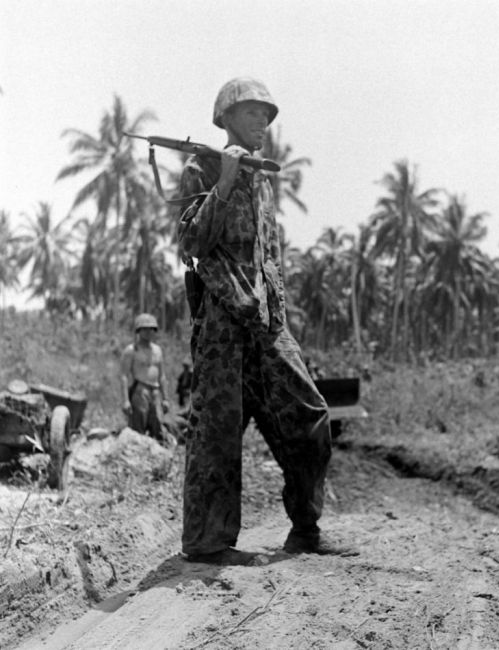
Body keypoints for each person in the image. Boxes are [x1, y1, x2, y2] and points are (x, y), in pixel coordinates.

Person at [177, 77, 353, 563]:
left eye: (268, 116)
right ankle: (208, 543)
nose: (264, 123)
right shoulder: (202, 169)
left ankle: (306, 529)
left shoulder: (265, 179)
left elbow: (269, 256)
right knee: (217, 431)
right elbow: (191, 244)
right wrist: (225, 181)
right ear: (228, 116)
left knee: (311, 415)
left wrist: (280, 320)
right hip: (221, 327)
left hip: (267, 324)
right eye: (254, 113)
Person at [120, 313, 171, 443]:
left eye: (151, 329)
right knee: (138, 429)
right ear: (138, 331)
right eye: (145, 329)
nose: (149, 332)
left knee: (158, 426)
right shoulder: (131, 350)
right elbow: (124, 376)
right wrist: (125, 400)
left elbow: (162, 376)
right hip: (140, 391)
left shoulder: (158, 350)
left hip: (155, 391)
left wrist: (165, 398)